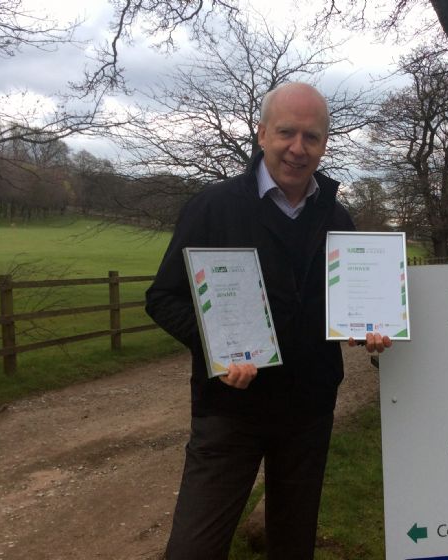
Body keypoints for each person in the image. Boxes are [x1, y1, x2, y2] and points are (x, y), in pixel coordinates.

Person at [145, 82, 391, 560]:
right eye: (286, 132)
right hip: (229, 410)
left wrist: (372, 330)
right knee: (194, 549)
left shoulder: (337, 218)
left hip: (309, 412)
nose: (298, 148)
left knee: (293, 547)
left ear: (324, 144)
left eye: (311, 137)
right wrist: (216, 347)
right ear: (262, 134)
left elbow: (351, 304)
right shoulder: (214, 206)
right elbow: (163, 297)